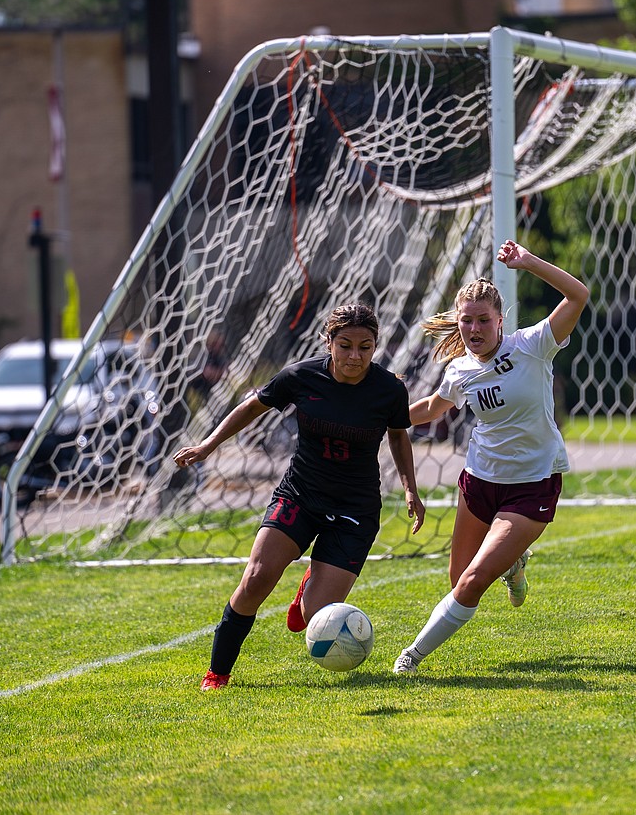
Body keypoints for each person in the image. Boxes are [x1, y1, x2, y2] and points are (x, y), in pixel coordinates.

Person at [173, 304, 425, 690]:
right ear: (329, 342)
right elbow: (252, 406)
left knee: (315, 614)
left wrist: (410, 488)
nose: (355, 356)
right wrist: (208, 446)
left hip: (355, 509)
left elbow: (397, 434)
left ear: (375, 346)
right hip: (301, 495)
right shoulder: (301, 376)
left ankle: (308, 586)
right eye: (345, 345)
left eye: (365, 346)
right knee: (256, 579)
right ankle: (218, 673)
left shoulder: (388, 389)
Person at [392, 239, 589, 675]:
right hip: (479, 480)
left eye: (484, 320)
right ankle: (514, 562)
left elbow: (578, 295)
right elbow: (430, 408)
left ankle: (412, 656)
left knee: (472, 582)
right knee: (457, 578)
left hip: (532, 483)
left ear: (500, 322)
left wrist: (528, 262)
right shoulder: (459, 371)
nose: (475, 329)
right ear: (458, 324)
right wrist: (379, 417)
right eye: (467, 321)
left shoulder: (533, 345)